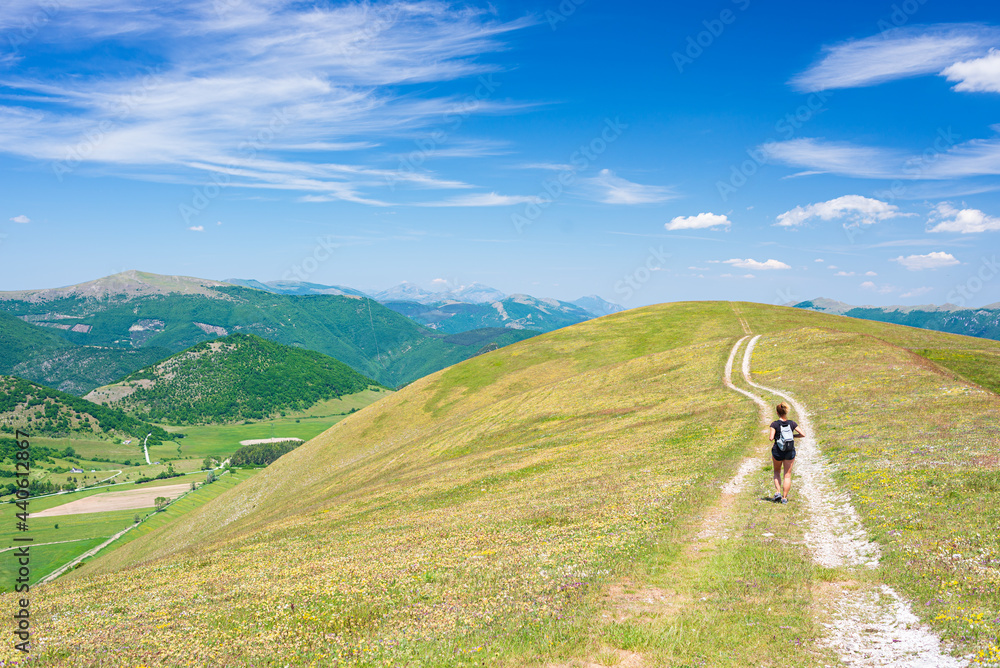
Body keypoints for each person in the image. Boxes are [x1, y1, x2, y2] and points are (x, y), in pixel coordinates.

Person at [769, 402, 804, 504]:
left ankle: (778, 492)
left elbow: (771, 438)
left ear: (777, 412)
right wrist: (793, 436)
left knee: (777, 472)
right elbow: (803, 434)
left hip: (777, 451)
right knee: (787, 475)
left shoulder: (774, 424)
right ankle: (784, 498)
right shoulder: (792, 423)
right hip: (789, 451)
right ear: (786, 412)